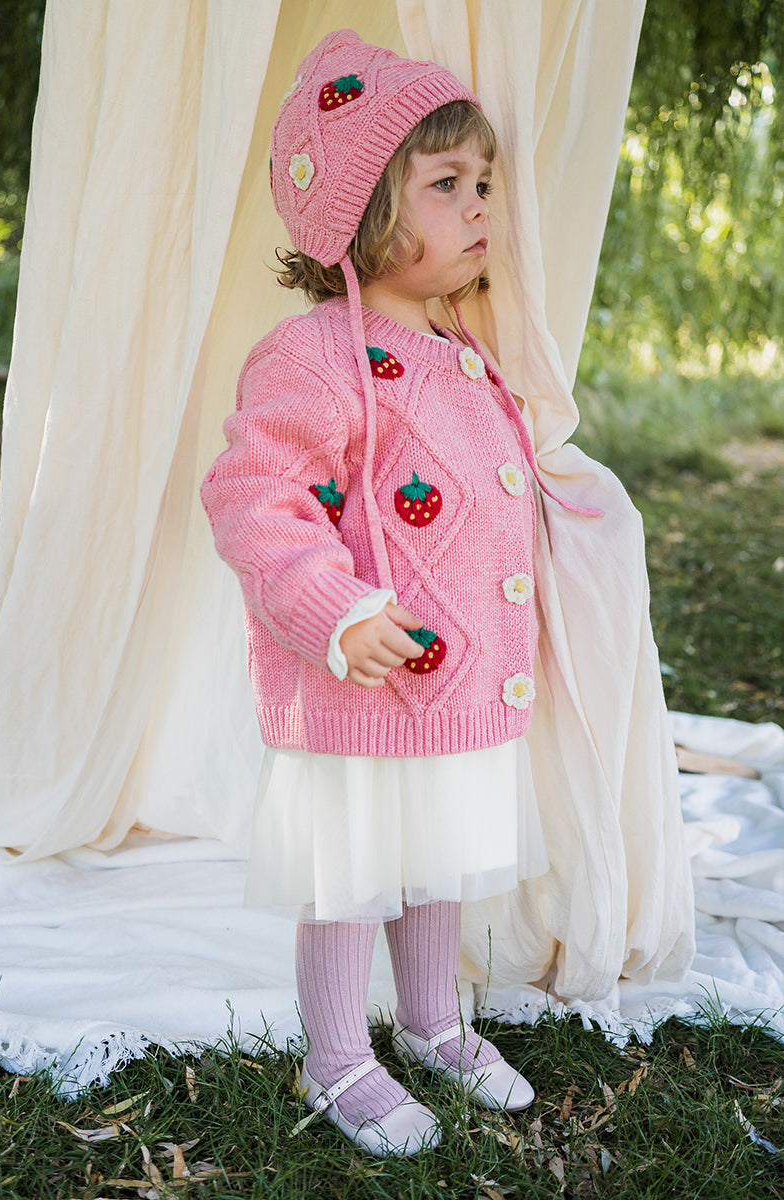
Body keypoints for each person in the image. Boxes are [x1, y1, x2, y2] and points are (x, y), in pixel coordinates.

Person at [201, 29, 602, 1157]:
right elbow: (254, 493)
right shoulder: (315, 354)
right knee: (352, 869)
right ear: (366, 207)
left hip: (455, 679)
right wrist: (335, 608)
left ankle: (432, 1022)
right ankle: (335, 1055)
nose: (480, 207)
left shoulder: (465, 350)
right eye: (446, 184)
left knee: (438, 855)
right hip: (358, 682)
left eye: (485, 184)